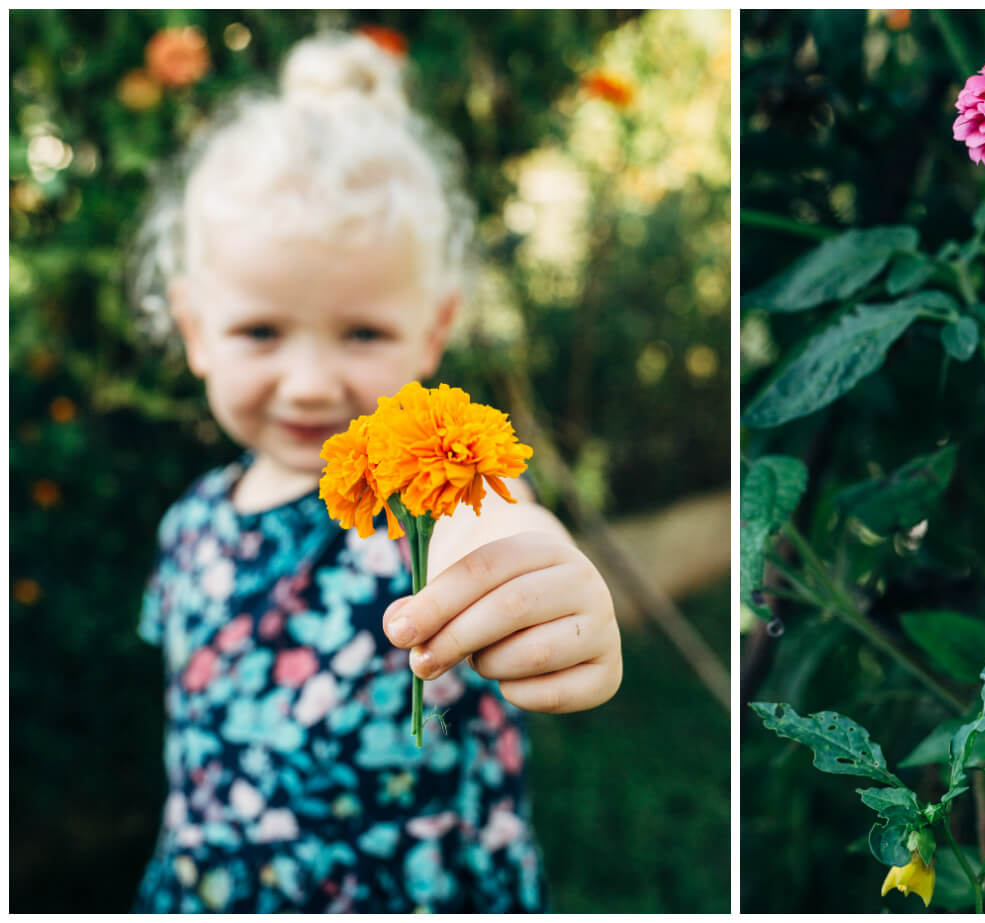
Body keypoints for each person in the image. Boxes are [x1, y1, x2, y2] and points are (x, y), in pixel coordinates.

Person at [125, 30, 622, 912]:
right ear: (196, 328)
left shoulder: (424, 497)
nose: (312, 382)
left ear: (433, 328)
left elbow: (496, 526)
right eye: (259, 332)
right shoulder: (189, 522)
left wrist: (540, 578)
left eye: (362, 333)